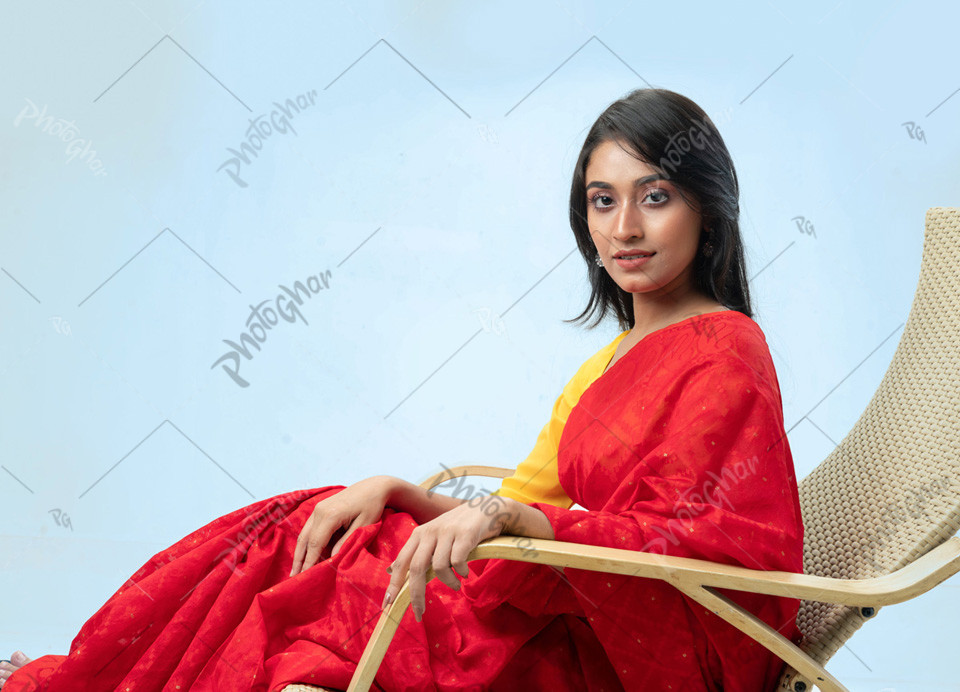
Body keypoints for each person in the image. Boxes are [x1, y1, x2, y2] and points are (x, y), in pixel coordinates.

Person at [0, 87, 804, 691]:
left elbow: (699, 550)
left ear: (708, 208)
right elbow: (516, 511)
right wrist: (398, 491)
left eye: (654, 197)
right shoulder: (610, 363)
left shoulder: (726, 350)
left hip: (635, 650)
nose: (625, 228)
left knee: (312, 583)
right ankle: (88, 673)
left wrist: (517, 519)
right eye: (603, 201)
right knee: (296, 529)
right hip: (561, 596)